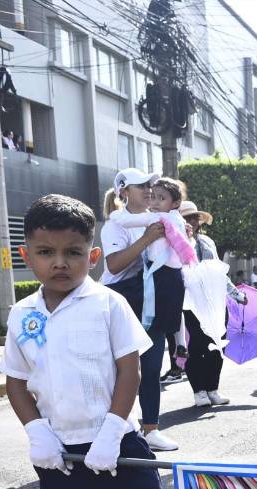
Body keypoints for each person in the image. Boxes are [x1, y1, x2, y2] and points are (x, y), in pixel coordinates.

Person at [0, 194, 190, 489]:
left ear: (94, 255)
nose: (59, 263)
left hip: (116, 449)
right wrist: (37, 432)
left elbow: (131, 371)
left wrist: (110, 431)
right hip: (59, 457)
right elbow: (16, 381)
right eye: (46, 253)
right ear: (27, 256)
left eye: (73, 253)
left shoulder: (108, 304)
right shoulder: (23, 315)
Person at [100, 168, 180, 452]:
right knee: (117, 370)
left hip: (150, 300)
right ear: (124, 192)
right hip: (120, 302)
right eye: (141, 186)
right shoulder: (114, 225)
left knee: (152, 365)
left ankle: (151, 429)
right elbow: (114, 266)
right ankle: (112, 426)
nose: (148, 190)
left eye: (150, 185)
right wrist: (146, 239)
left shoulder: (158, 219)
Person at [180, 200, 246, 407]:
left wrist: (236, 294)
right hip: (191, 302)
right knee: (196, 345)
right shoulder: (173, 242)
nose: (192, 221)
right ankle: (198, 391)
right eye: (187, 217)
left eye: (194, 217)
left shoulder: (208, 242)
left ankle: (213, 389)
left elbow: (219, 273)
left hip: (216, 301)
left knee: (217, 345)